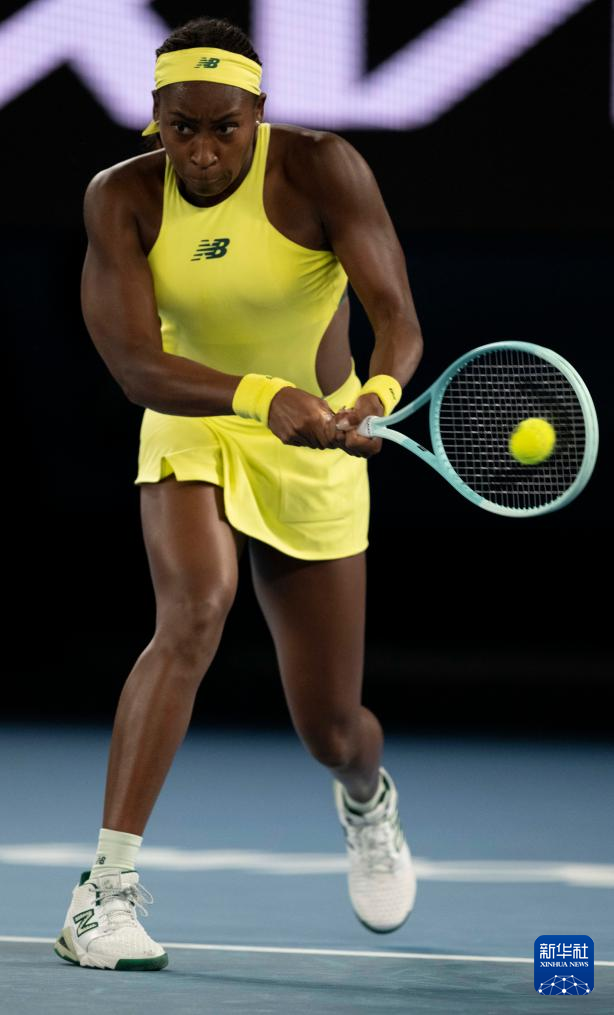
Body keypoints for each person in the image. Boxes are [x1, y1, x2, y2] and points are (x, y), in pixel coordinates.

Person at [53, 16, 424, 971]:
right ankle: (103, 893)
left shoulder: (323, 168)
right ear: (156, 118)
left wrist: (378, 398)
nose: (205, 151)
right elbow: (135, 366)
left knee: (332, 728)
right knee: (194, 608)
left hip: (321, 437)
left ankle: (366, 798)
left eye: (226, 126)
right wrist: (262, 396)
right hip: (198, 417)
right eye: (183, 127)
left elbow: (397, 319)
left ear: (260, 115)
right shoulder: (120, 198)